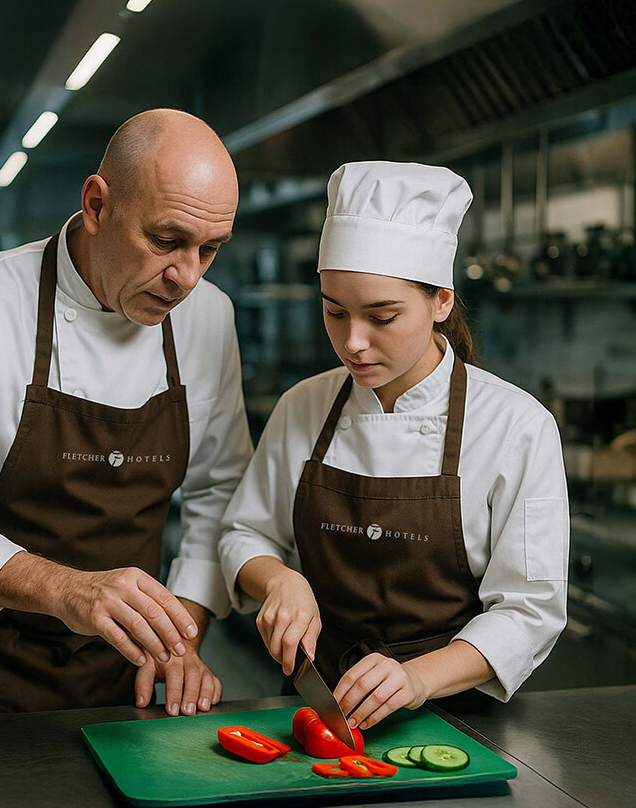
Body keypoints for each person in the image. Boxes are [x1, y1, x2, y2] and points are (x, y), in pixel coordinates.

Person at [0, 109, 252, 720]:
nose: (186, 277)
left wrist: (179, 634)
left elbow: (219, 489)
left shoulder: (210, 316)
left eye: (210, 250)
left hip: (127, 669)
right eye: (166, 241)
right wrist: (66, 589)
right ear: (97, 205)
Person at [219, 161, 568, 732]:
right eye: (334, 311)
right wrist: (280, 580)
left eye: (381, 316)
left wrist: (418, 678)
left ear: (441, 302)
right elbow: (244, 533)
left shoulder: (516, 425)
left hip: (458, 721)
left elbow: (531, 610)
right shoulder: (303, 406)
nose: (352, 342)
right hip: (319, 718)